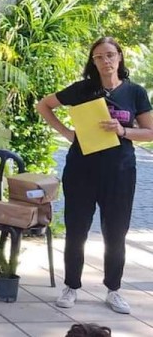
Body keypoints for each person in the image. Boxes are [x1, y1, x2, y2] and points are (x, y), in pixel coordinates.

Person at [37, 36, 153, 314]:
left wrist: (123, 131)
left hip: (120, 172)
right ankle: (71, 286)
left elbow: (150, 132)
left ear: (120, 57)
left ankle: (113, 289)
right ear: (93, 61)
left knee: (116, 233)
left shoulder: (135, 93)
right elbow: (44, 105)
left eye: (110, 55)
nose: (105, 61)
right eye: (99, 57)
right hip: (81, 169)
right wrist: (66, 132)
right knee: (76, 230)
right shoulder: (82, 89)